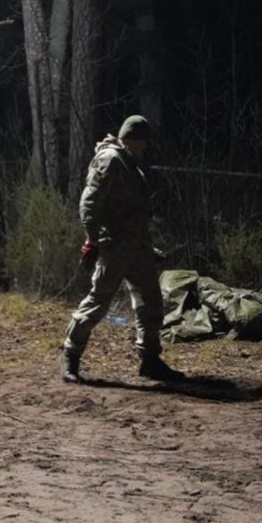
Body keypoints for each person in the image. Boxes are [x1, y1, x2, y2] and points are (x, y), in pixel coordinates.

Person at [61, 115, 185, 383]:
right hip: (115, 245)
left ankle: (150, 360)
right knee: (98, 302)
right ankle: (71, 356)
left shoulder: (129, 164)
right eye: (142, 142)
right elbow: (89, 202)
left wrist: (146, 247)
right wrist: (92, 240)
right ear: (132, 139)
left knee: (150, 302)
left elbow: (134, 210)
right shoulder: (110, 160)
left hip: (136, 247)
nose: (145, 148)